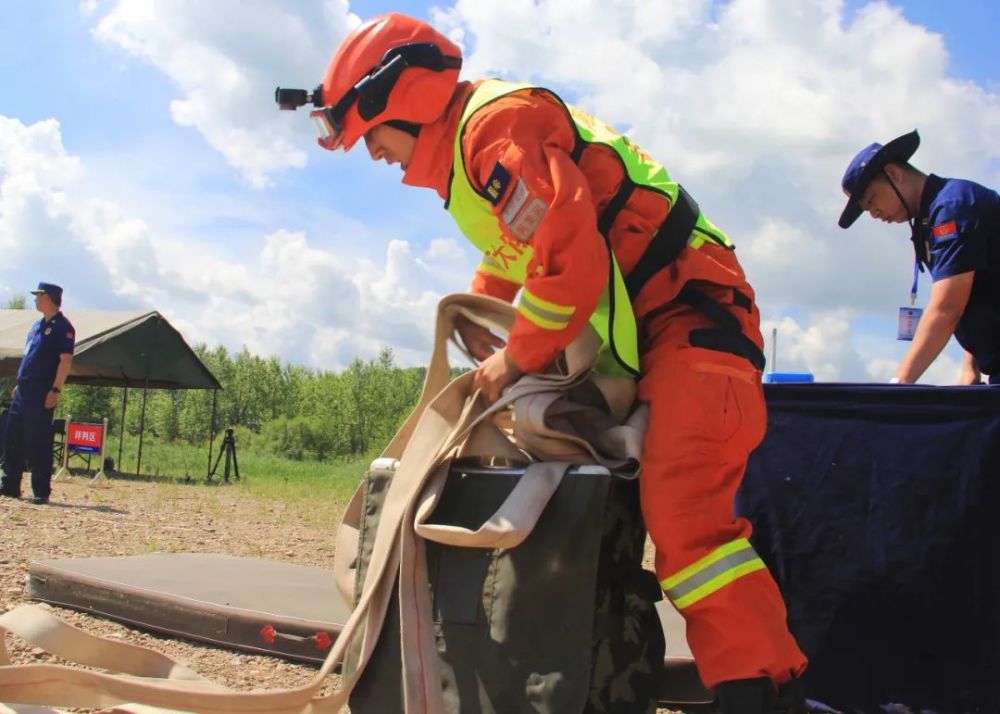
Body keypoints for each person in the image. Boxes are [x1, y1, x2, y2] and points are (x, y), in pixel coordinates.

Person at [279, 14, 808, 712]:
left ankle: (763, 693)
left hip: (695, 323)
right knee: (667, 520)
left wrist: (514, 359)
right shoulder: (476, 155)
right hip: (662, 334)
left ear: (397, 98)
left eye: (367, 134)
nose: (371, 153)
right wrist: (481, 307)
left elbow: (571, 260)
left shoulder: (495, 131)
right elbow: (519, 253)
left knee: (689, 525)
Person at [839, 130, 1000, 384]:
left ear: (894, 174)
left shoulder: (953, 208)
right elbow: (977, 287)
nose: (874, 214)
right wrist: (971, 366)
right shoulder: (933, 216)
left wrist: (901, 384)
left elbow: (948, 306)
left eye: (872, 200)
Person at [0, 282, 74, 505]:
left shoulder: (63, 327)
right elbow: (29, 356)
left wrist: (55, 389)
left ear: (49, 298)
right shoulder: (36, 326)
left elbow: (65, 361)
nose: (35, 299)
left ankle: (41, 490)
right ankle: (10, 485)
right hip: (23, 390)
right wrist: (19, 383)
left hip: (42, 392)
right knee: (13, 437)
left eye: (38, 295)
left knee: (39, 440)